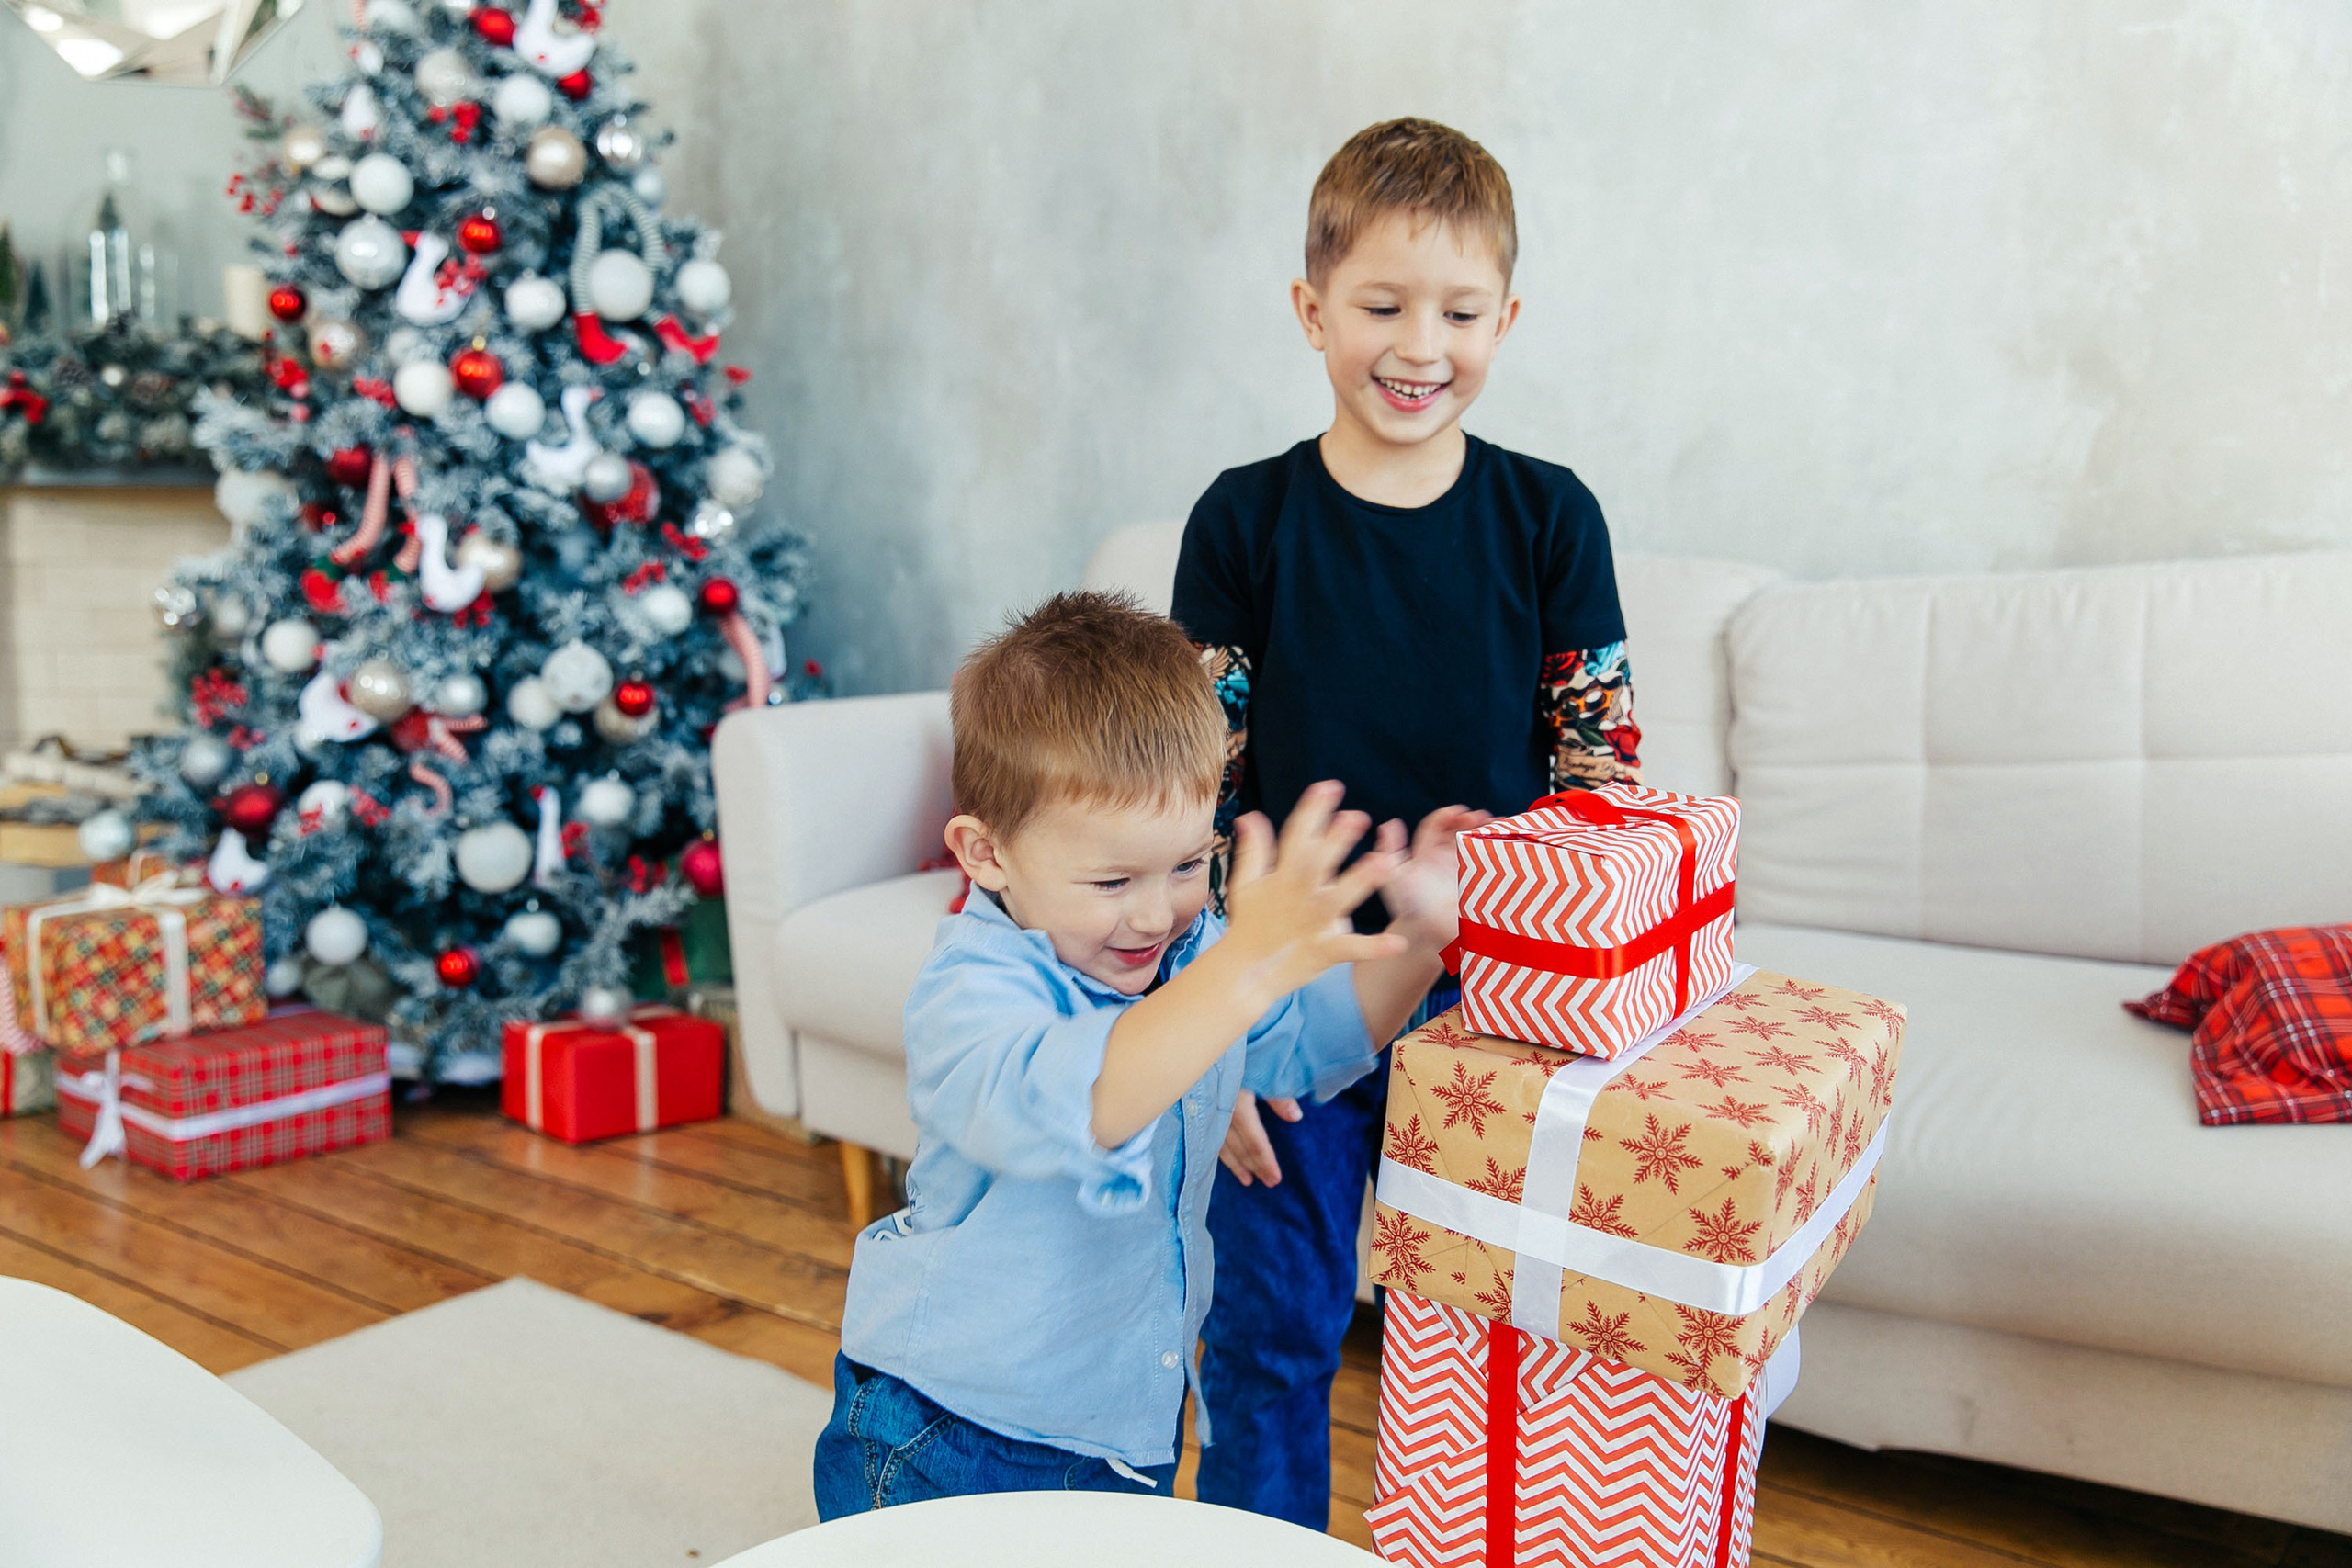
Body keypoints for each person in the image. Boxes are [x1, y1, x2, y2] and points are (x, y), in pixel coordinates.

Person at [1173, 117, 1643, 1529]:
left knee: (1503, 1351)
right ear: (1313, 311)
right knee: (1268, 1336)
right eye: (1380, 305)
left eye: (1456, 310)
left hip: (1495, 1003)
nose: (1417, 343)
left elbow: (1601, 782)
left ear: (1508, 318)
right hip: (1294, 997)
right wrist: (1218, 1026)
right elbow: (1197, 794)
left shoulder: (1553, 519)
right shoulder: (1243, 522)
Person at [811, 591, 1481, 1517]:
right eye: (1109, 880)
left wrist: (1420, 940)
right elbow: (1086, 1105)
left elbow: (1308, 1044)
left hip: (1125, 1429)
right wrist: (1245, 963)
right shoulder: (974, 987)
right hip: (952, 1434)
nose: (1154, 911)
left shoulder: (1187, 953)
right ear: (985, 854)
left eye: (1181, 866)